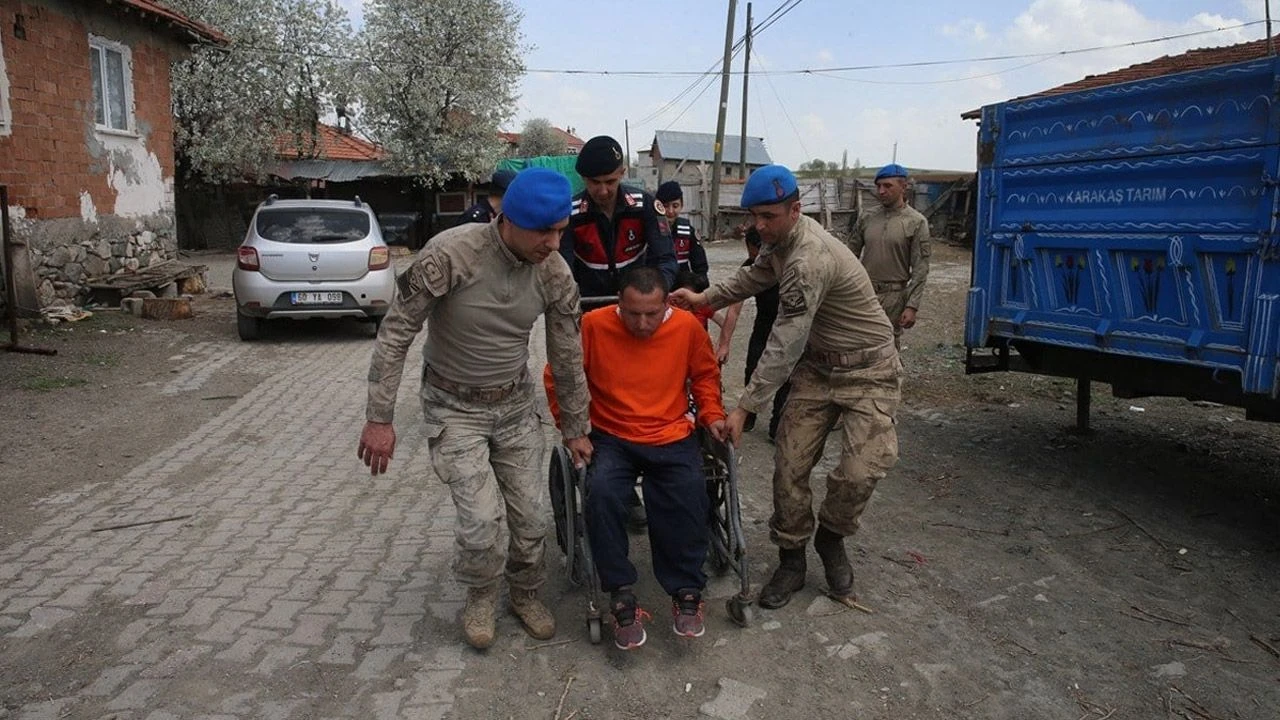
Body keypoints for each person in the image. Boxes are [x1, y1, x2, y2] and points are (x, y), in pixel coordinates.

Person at [357, 168, 594, 650]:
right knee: (483, 522)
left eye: (560, 232)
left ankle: (524, 594)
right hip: (453, 407)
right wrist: (379, 417)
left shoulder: (553, 273)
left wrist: (575, 428)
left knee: (529, 517)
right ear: (507, 218)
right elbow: (397, 331)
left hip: (514, 406)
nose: (553, 243)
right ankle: (481, 596)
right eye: (543, 232)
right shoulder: (450, 254)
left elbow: (567, 355)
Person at [670, 165, 901, 611]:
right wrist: (705, 299)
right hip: (818, 371)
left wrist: (744, 407)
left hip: (869, 370)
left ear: (796, 210)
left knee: (860, 472)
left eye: (768, 216)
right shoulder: (780, 241)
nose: (759, 225)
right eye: (754, 215)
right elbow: (753, 277)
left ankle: (831, 539)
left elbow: (784, 343)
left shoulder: (808, 258)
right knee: (789, 466)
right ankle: (791, 558)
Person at [546, 265, 727, 650]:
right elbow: (559, 375)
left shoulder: (686, 327)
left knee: (690, 490)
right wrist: (572, 427)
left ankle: (686, 589)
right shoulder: (593, 326)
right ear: (618, 305)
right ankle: (620, 591)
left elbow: (706, 376)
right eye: (633, 314)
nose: (643, 323)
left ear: (667, 305)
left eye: (652, 313)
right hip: (612, 435)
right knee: (604, 493)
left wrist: (711, 415)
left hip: (670, 431)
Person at [561, 135, 678, 298]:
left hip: (637, 302)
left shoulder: (645, 206)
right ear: (583, 178)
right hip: (587, 304)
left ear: (622, 173)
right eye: (595, 182)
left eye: (610, 182)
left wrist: (657, 292)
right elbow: (562, 268)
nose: (603, 191)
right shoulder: (569, 213)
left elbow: (665, 258)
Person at [713, 226, 791, 440]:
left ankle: (778, 424)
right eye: (749, 251)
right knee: (753, 368)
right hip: (763, 324)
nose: (752, 256)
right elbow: (734, 309)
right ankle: (748, 416)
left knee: (787, 377)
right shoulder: (750, 267)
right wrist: (724, 344)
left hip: (787, 326)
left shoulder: (788, 265)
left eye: (755, 251)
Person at [847, 163, 931, 350]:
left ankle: (892, 378)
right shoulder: (866, 217)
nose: (881, 191)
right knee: (859, 342)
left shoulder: (916, 222)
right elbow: (849, 255)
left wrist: (912, 306)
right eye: (878, 186)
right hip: (864, 292)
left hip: (893, 296)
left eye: (887, 186)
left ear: (903, 186)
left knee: (888, 346)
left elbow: (920, 268)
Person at [656, 180, 709, 286]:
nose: (670, 211)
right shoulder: (650, 230)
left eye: (675, 206)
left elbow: (700, 268)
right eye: (665, 206)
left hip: (682, 288)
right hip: (656, 286)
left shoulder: (687, 231)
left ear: (682, 205)